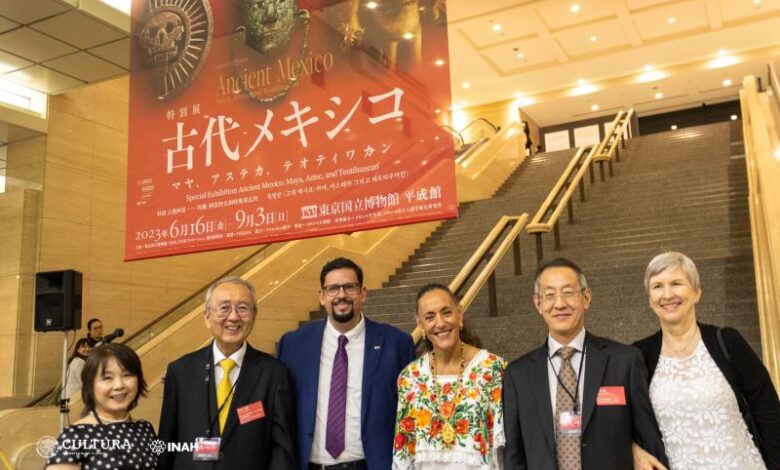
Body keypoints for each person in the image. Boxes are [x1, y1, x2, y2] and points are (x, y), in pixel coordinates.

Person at [503, 258, 667, 470]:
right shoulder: (519, 374)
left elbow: (648, 443)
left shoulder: (624, 362)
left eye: (568, 292)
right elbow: (514, 457)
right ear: (538, 304)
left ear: (586, 298)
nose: (559, 303)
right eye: (550, 295)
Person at [632, 252, 780, 470]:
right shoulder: (639, 355)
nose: (667, 294)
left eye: (676, 283)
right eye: (657, 286)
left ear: (696, 292)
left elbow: (768, 411)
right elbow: (619, 420)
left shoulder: (727, 341)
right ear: (649, 299)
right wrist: (634, 450)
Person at [277, 257, 415, 470]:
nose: (341, 295)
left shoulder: (396, 343)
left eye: (349, 287)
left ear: (363, 293)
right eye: (333, 289)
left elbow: (410, 415)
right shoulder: (293, 345)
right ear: (322, 296)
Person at [158, 277, 297, 469]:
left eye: (242, 308)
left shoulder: (274, 374)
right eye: (224, 308)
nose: (233, 317)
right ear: (207, 317)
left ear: (254, 316)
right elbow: (166, 443)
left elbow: (282, 449)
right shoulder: (180, 372)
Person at [393, 283, 506, 469]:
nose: (440, 323)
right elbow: (404, 453)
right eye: (429, 317)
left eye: (446, 312)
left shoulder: (493, 370)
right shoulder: (410, 378)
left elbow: (504, 449)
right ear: (420, 324)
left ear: (460, 314)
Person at [46, 343, 156, 469]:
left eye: (127, 375)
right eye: (107, 378)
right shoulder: (75, 436)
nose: (119, 385)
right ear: (90, 385)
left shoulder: (145, 429)